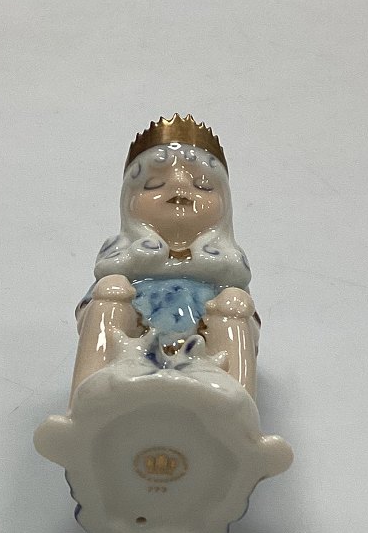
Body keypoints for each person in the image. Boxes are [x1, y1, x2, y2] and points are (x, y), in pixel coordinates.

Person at [71, 115, 260, 398]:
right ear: (129, 201)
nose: (179, 186)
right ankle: (88, 396)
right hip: (130, 339)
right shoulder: (120, 252)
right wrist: (135, 264)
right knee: (110, 291)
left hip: (206, 343)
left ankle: (237, 402)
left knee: (235, 302)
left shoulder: (228, 260)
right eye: (154, 184)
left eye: (203, 185)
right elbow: (96, 292)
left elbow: (238, 286)